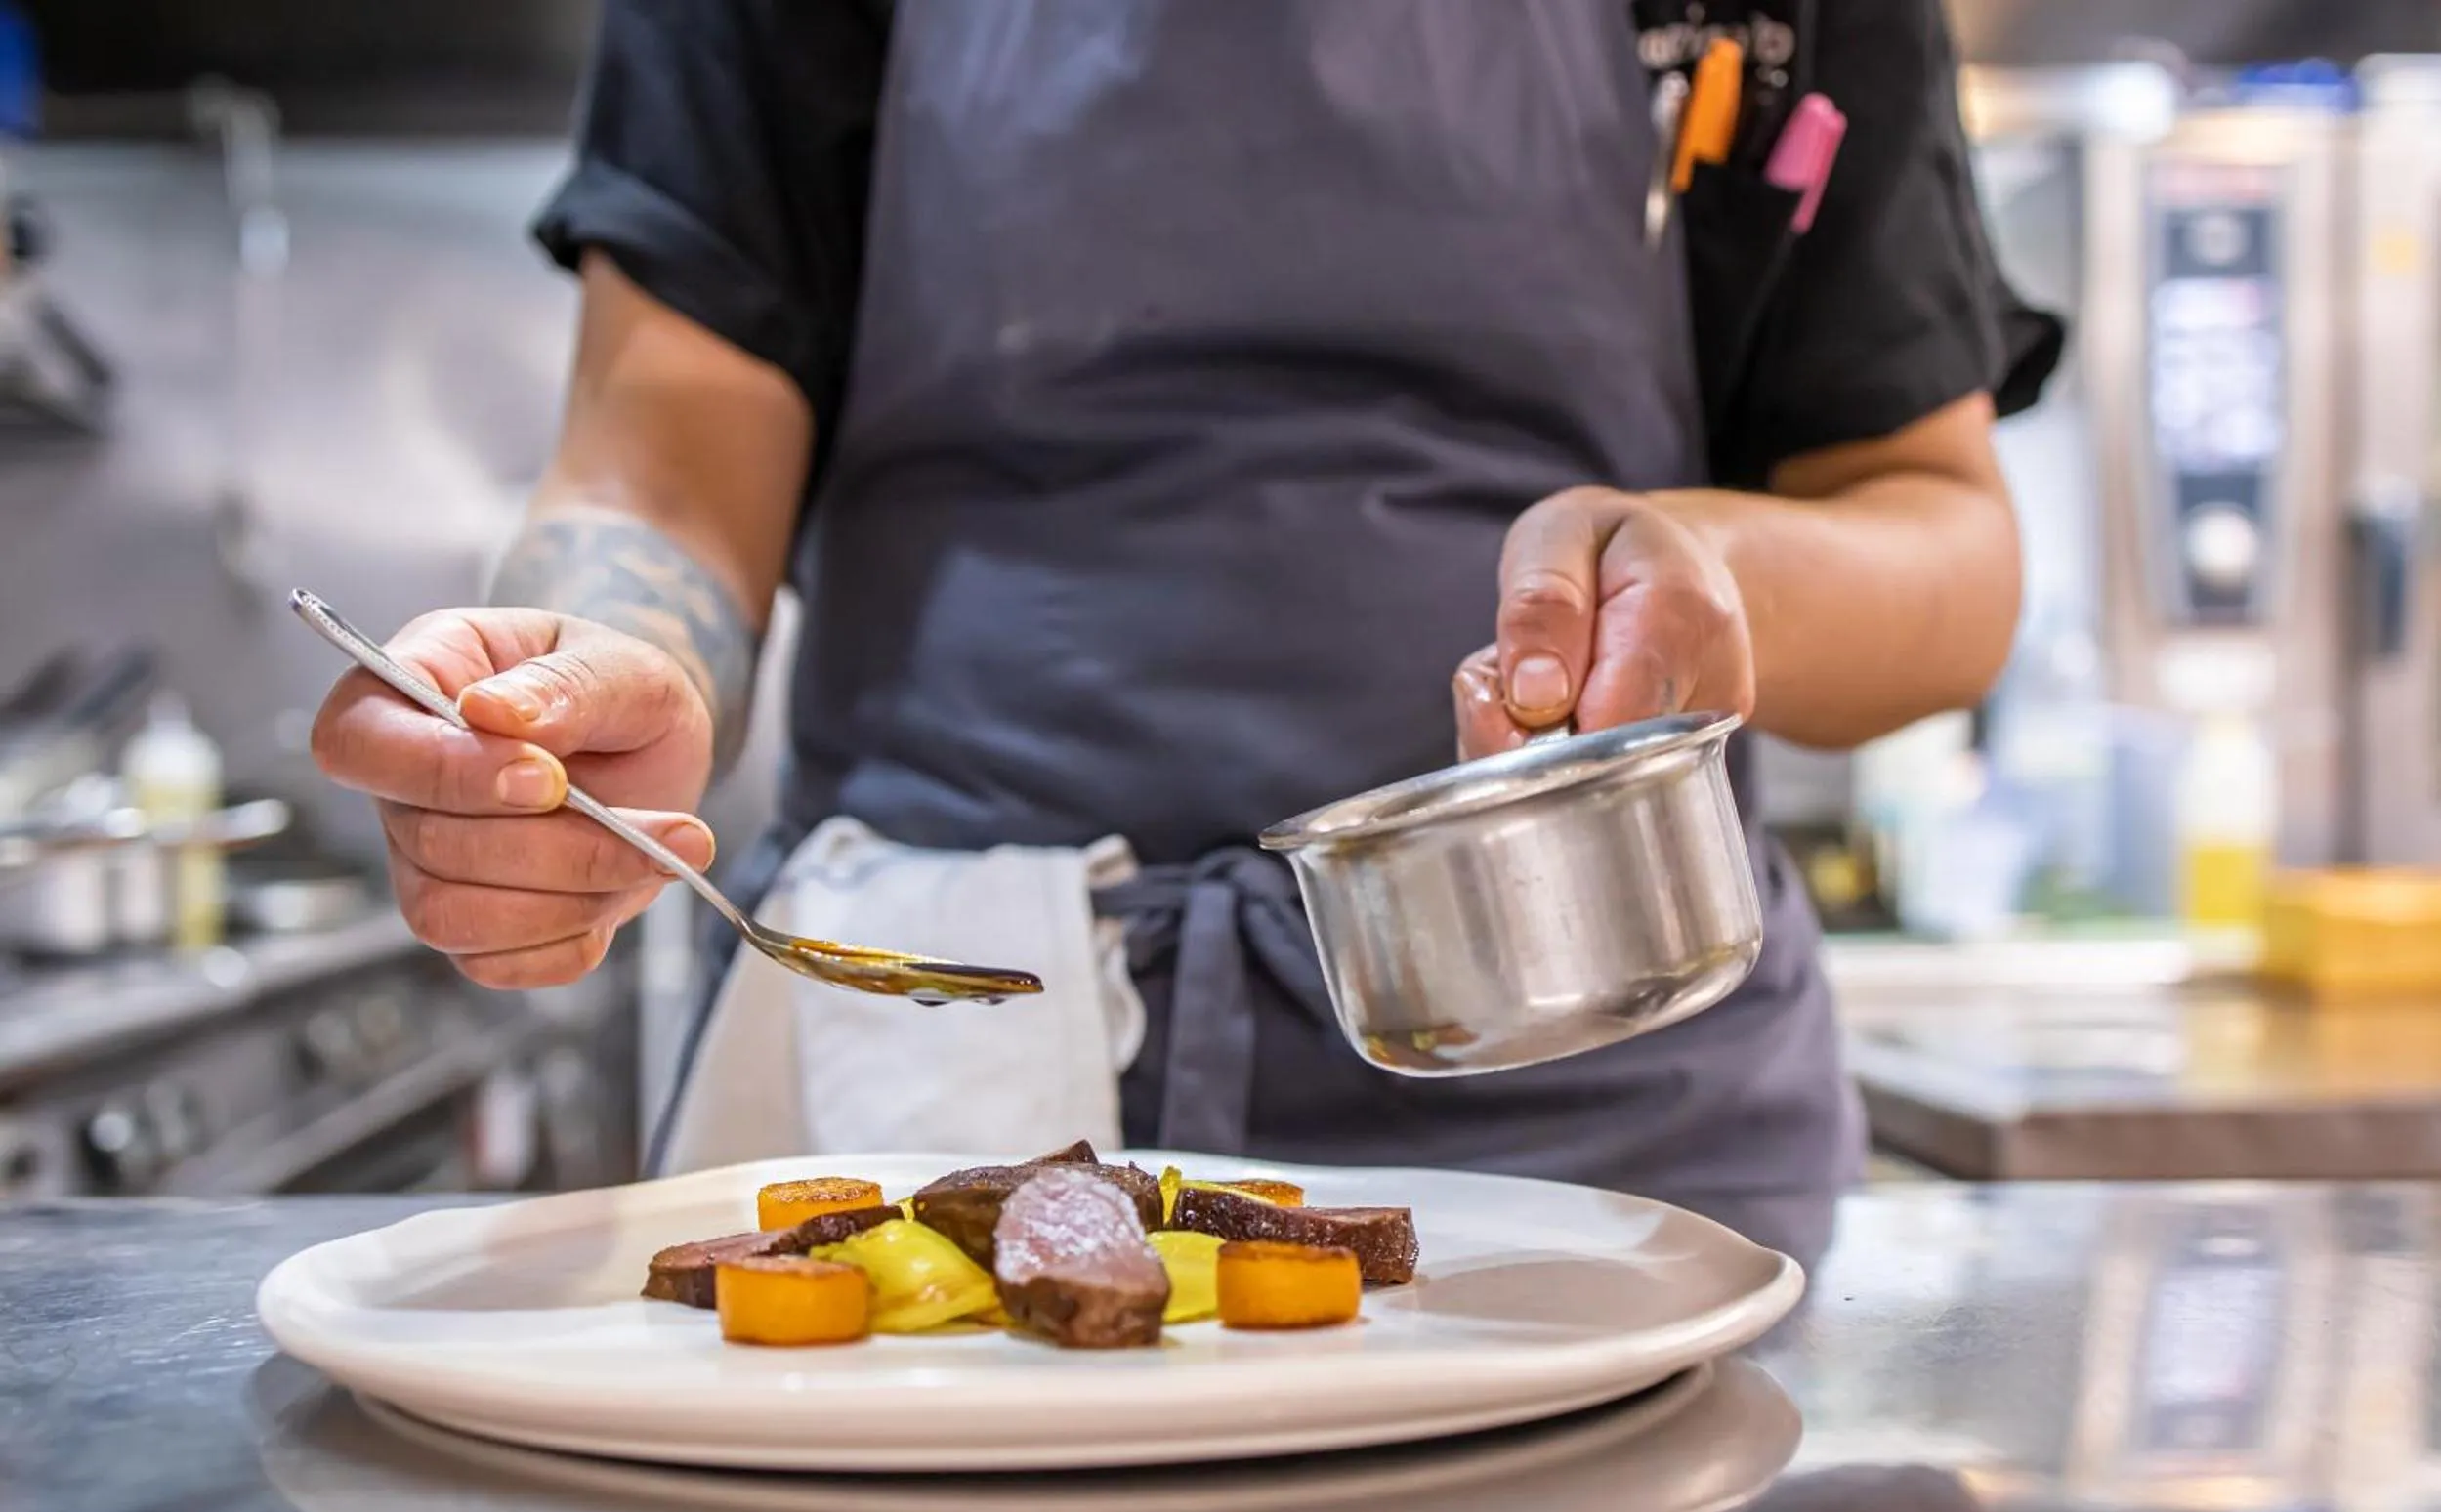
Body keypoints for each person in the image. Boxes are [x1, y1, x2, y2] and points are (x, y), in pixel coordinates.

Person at [308, 0, 2055, 1265]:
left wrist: (1714, 572)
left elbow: (1942, 539)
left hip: (1595, 1124)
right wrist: (609, 670)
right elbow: (664, 451)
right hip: (957, 1103)